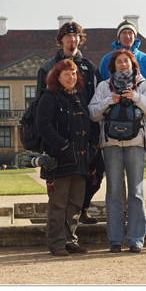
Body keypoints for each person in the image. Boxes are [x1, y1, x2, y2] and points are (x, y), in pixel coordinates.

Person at [88, 50, 146, 253]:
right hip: (110, 144)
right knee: (113, 192)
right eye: (118, 62)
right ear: (113, 66)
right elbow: (92, 113)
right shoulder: (104, 86)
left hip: (136, 143)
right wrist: (109, 100)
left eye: (126, 61)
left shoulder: (144, 85)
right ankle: (115, 239)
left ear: (133, 64)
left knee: (136, 192)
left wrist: (136, 97)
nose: (122, 64)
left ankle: (136, 239)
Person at [36, 22, 102, 225]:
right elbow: (41, 101)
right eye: (68, 36)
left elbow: (96, 98)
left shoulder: (89, 66)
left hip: (85, 131)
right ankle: (60, 229)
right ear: (61, 39)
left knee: (95, 174)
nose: (72, 40)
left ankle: (82, 210)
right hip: (61, 132)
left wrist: (94, 138)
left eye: (76, 37)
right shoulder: (48, 66)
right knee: (62, 182)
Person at [36, 59, 93, 256]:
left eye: (74, 73)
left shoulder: (78, 96)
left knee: (75, 203)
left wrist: (91, 149)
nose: (71, 77)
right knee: (58, 203)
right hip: (59, 160)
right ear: (57, 77)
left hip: (80, 160)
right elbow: (43, 126)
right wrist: (63, 145)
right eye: (67, 74)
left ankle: (70, 240)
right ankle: (56, 243)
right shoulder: (49, 97)